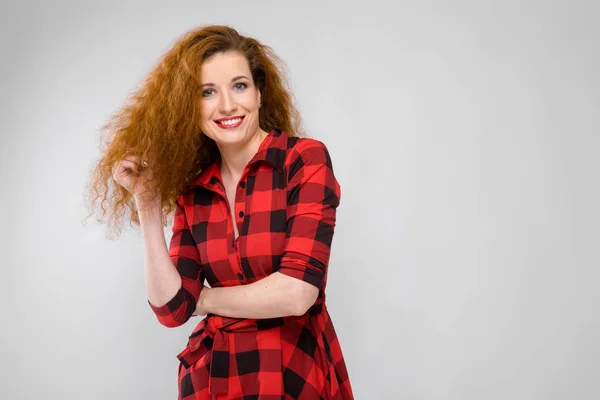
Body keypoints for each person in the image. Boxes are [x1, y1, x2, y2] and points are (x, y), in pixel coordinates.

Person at [86, 25, 353, 399]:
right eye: (207, 92)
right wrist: (146, 204)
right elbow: (173, 309)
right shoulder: (193, 194)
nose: (227, 105)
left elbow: (297, 292)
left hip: (292, 373)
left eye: (239, 86)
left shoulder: (302, 160)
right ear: (189, 108)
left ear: (260, 93)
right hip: (216, 380)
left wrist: (207, 300)